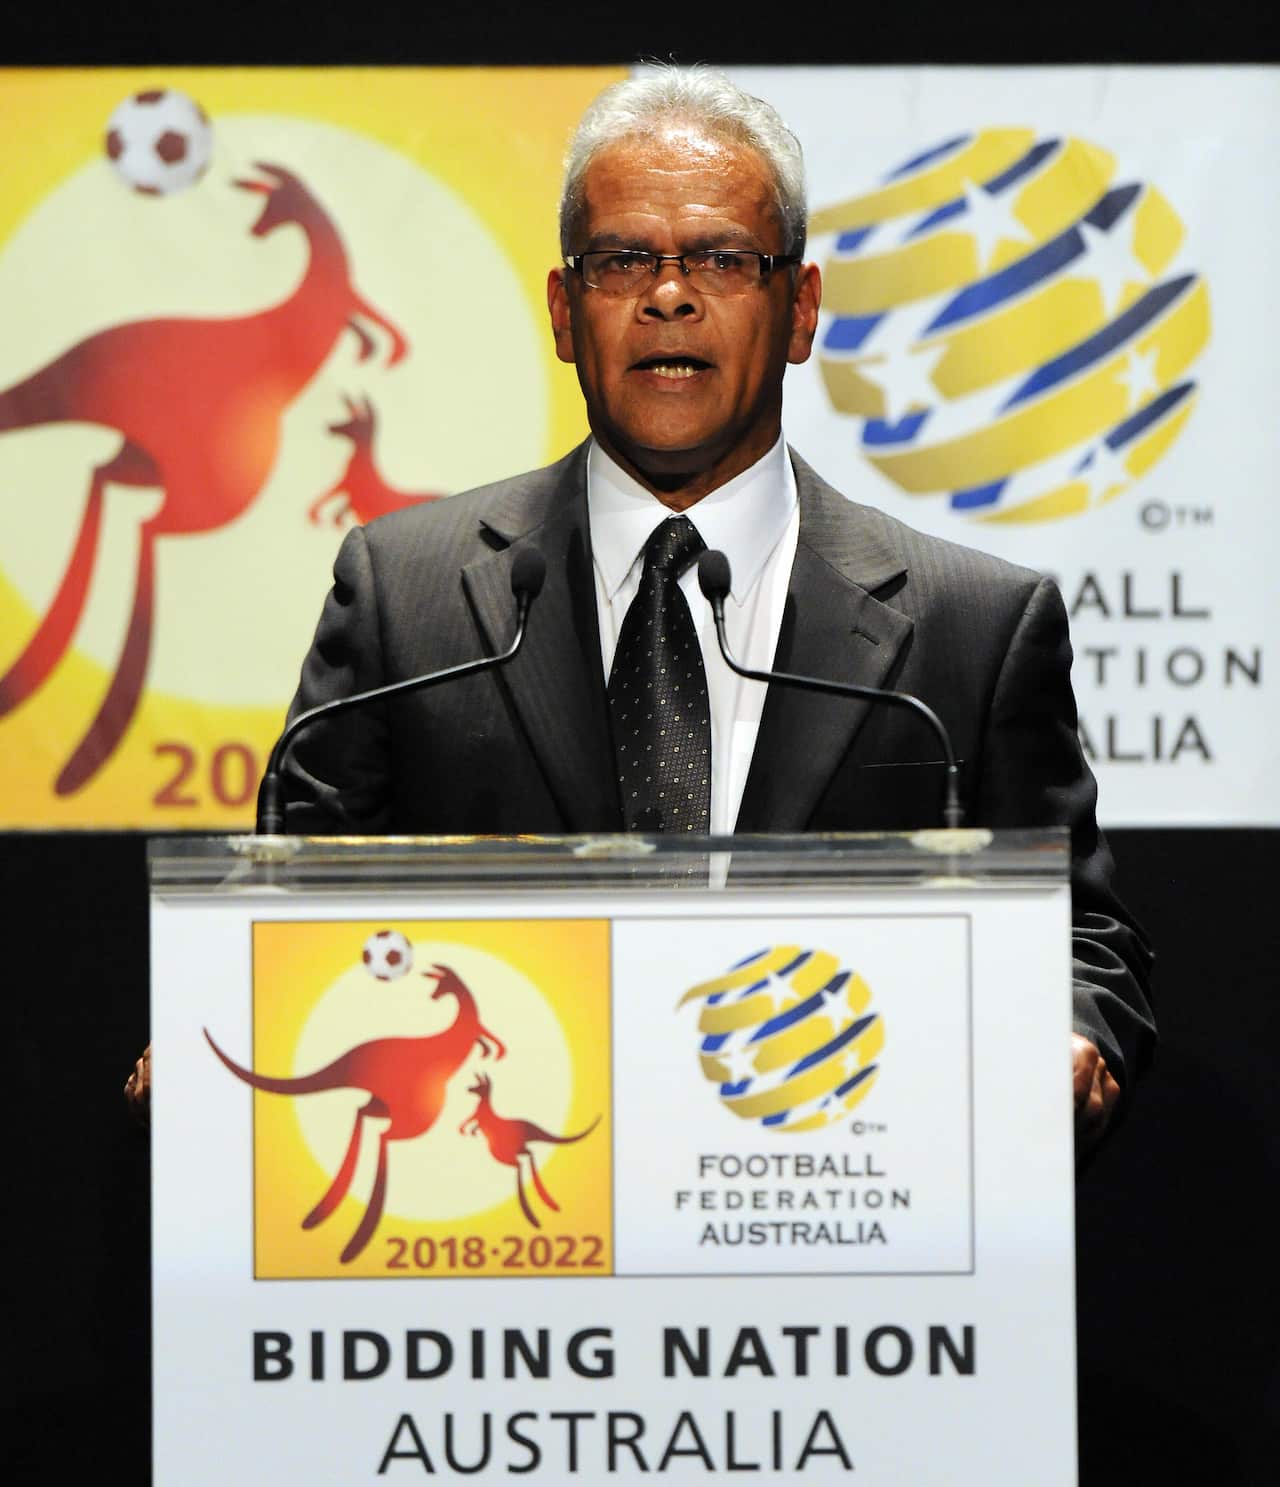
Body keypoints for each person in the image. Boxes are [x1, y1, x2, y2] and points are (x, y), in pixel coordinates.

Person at [127, 64, 1152, 1153]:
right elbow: (295, 919)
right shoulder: (405, 599)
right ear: (567, 313)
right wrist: (223, 1018)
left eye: (720, 257)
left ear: (798, 309)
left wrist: (1070, 1033)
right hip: (502, 1230)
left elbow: (1081, 940)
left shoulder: (973, 627)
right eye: (623, 260)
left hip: (834, 1226)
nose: (669, 294)